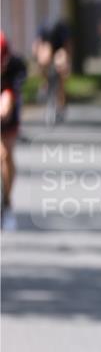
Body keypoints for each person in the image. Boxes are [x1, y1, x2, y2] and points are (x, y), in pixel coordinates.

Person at [1, 31, 27, 230]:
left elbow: (9, 100)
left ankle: (8, 202)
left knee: (5, 154)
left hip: (7, 102)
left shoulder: (16, 66)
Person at [32, 20, 71, 124]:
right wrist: (38, 61)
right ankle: (45, 82)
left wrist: (66, 65)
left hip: (60, 49)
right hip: (48, 48)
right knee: (43, 59)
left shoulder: (62, 29)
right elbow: (36, 46)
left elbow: (67, 46)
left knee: (61, 64)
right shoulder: (42, 30)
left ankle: (61, 95)